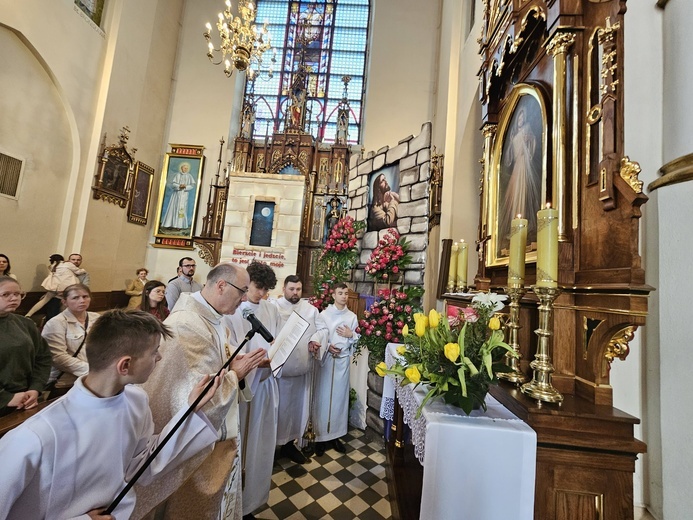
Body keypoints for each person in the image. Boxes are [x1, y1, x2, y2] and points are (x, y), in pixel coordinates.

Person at [0, 310, 222, 519]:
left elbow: (141, 465)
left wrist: (190, 411)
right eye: (154, 352)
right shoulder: (34, 436)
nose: (160, 357)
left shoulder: (136, 401)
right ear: (125, 365)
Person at [133, 263, 267, 520]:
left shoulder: (212, 319)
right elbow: (200, 396)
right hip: (190, 445)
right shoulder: (189, 325)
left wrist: (233, 369)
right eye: (242, 291)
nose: (243, 298)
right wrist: (235, 374)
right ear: (221, 285)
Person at [224, 260, 281, 520]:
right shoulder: (235, 311)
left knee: (260, 445)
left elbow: (278, 339)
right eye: (259, 288)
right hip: (246, 389)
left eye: (267, 289)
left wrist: (278, 355)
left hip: (266, 384)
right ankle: (236, 506)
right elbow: (232, 350)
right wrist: (257, 363)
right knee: (242, 446)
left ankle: (253, 500)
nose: (263, 294)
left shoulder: (271, 309)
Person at [270, 275, 322, 465]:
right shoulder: (273, 308)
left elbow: (320, 330)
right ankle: (271, 447)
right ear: (284, 288)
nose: (295, 293)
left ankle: (290, 444)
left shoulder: (310, 310)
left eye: (298, 289)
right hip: (279, 373)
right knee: (278, 410)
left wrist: (315, 340)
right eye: (291, 289)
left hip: (301, 369)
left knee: (296, 410)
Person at [309, 283, 359, 456]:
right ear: (333, 295)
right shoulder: (324, 315)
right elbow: (319, 335)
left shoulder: (352, 317)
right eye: (340, 293)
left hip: (342, 362)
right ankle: (320, 437)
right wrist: (328, 346)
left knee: (339, 400)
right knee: (322, 399)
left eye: (346, 293)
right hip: (326, 361)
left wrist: (350, 335)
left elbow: (357, 340)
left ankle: (335, 436)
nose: (344, 296)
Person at [0, 276, 52, 417]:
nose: (14, 298)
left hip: (26, 399)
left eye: (17, 294)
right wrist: (6, 398)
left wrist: (35, 388)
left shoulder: (25, 323)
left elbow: (43, 357)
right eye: (6, 294)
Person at [42, 283, 100, 396]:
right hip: (66, 382)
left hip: (93, 380)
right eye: (75, 297)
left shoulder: (97, 318)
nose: (82, 300)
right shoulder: (56, 323)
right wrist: (91, 371)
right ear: (64, 301)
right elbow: (57, 357)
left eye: (85, 296)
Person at [500, 106, 541, 250]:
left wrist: (529, 139)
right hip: (517, 165)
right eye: (519, 117)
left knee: (522, 194)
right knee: (513, 196)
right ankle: (514, 227)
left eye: (523, 117)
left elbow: (532, 142)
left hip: (523, 164)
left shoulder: (527, 128)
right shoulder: (513, 134)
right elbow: (509, 159)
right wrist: (511, 144)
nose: (521, 119)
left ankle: (522, 225)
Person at [25, 254, 86, 320]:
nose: (75, 261)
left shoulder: (52, 266)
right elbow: (79, 272)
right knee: (65, 303)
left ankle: (28, 314)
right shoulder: (67, 264)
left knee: (44, 301)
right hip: (66, 288)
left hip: (54, 287)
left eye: (78, 260)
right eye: (73, 259)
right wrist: (84, 270)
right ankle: (63, 319)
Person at [160, 162, 196, 230]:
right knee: (173, 208)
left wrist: (185, 186)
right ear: (181, 168)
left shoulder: (189, 176)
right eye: (184, 168)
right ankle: (171, 224)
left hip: (184, 194)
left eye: (186, 168)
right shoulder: (177, 175)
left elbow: (192, 185)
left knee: (181, 209)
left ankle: (179, 225)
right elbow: (174, 184)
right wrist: (179, 186)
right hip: (176, 194)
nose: (185, 169)